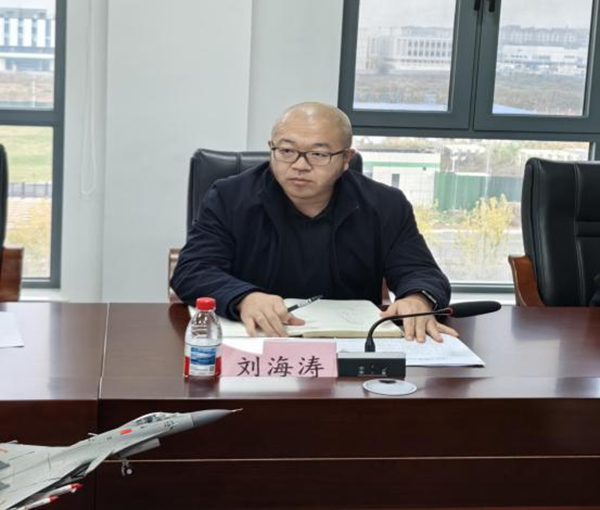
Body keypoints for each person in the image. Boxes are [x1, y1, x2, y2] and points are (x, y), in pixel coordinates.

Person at [171, 102, 457, 342]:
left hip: (348, 345)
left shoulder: (385, 205)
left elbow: (421, 271)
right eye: (286, 151)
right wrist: (244, 297)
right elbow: (193, 269)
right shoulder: (229, 197)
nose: (299, 165)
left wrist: (417, 299)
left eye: (318, 154)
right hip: (257, 341)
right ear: (272, 149)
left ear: (346, 158)